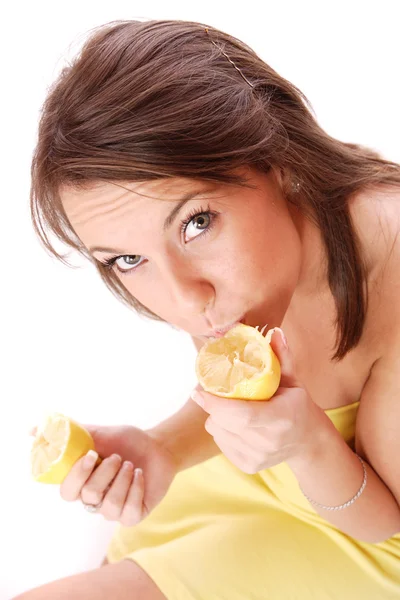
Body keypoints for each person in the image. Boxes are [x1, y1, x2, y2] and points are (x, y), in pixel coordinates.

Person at [15, 17, 400, 600]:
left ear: (280, 160)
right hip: (272, 478)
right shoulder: (233, 280)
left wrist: (310, 444)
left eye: (196, 223)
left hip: (367, 541)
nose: (185, 299)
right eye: (126, 259)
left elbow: (386, 524)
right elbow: (243, 391)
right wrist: (161, 448)